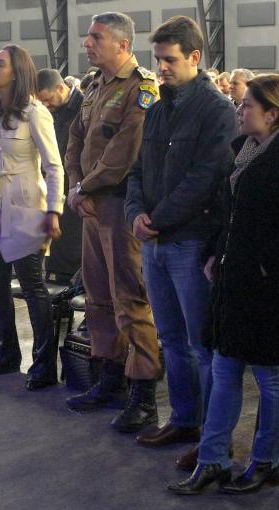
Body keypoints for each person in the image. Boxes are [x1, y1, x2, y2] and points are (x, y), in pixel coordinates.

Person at [169, 74, 279, 495]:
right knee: (224, 366)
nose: (240, 109)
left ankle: (265, 462)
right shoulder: (245, 151)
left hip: (270, 288)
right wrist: (217, 252)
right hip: (235, 281)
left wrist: (265, 265)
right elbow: (229, 215)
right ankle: (213, 459)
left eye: (248, 105)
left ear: (271, 113)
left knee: (270, 376)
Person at [124, 16, 236, 447]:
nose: (162, 68)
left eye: (169, 60)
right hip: (155, 240)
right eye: (158, 60)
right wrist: (136, 212)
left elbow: (206, 177)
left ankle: (211, 435)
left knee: (201, 345)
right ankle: (185, 419)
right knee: (170, 339)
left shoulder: (217, 111)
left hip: (189, 240)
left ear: (195, 56)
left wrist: (158, 218)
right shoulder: (156, 108)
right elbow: (137, 170)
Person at [63, 12, 162, 431]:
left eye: (96, 37)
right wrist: (76, 186)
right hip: (90, 207)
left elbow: (124, 152)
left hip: (118, 207)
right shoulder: (94, 87)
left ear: (122, 44)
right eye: (88, 36)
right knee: (98, 297)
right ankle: (108, 379)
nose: (87, 43)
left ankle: (143, 395)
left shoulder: (142, 89)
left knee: (130, 300)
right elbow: (74, 141)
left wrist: (84, 187)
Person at [0, 44, 64, 390]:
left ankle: (45, 364)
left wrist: (54, 210)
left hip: (26, 209)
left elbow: (53, 166)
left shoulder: (35, 112)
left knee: (33, 287)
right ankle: (3, 354)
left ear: (16, 72)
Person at [36, 67, 83, 278]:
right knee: (58, 252)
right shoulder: (51, 112)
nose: (45, 105)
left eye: (47, 99)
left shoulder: (83, 107)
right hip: (55, 189)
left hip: (74, 187)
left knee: (73, 251)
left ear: (61, 87)